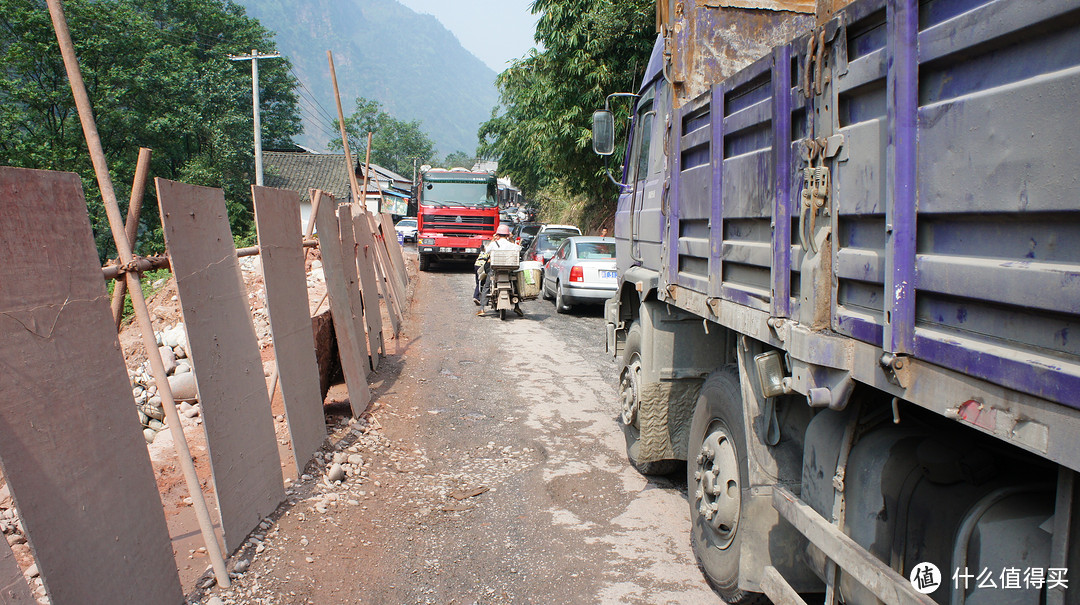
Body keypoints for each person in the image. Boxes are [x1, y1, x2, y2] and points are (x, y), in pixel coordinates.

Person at [474, 224, 522, 316]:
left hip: (494, 270)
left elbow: (485, 251)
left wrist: (493, 239)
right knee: (515, 287)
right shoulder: (511, 245)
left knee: (486, 287)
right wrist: (512, 239)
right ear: (508, 235)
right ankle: (517, 307)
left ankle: (482, 309)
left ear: (498, 235)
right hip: (509, 270)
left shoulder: (493, 244)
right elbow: (518, 249)